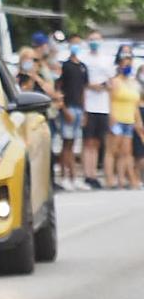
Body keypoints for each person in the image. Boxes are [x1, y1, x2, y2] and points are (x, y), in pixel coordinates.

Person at [105, 45, 144, 189]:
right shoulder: (115, 81)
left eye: (129, 61)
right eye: (124, 62)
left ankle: (122, 179)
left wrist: (138, 121)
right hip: (117, 118)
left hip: (129, 120)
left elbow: (135, 104)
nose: (127, 64)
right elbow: (109, 99)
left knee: (126, 152)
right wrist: (111, 116)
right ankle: (110, 179)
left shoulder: (133, 83)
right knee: (112, 150)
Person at [81, 30, 114, 188]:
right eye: (92, 39)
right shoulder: (83, 59)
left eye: (97, 39)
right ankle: (87, 174)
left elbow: (111, 82)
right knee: (87, 141)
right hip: (89, 105)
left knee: (96, 142)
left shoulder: (106, 60)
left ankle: (93, 174)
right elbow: (81, 82)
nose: (94, 42)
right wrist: (92, 85)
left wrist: (105, 86)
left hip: (103, 106)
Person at [57, 34, 89, 190]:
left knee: (74, 143)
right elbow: (59, 88)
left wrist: (84, 111)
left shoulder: (82, 67)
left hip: (78, 108)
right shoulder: (65, 66)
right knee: (66, 143)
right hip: (68, 107)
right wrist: (63, 108)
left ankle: (74, 176)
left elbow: (83, 89)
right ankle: (65, 176)